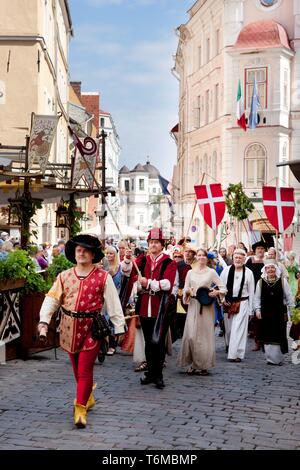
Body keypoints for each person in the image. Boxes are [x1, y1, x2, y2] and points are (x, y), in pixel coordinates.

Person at [37, 234, 125, 428]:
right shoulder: (64, 276)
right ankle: (88, 396)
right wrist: (44, 320)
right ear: (74, 253)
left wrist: (118, 327)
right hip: (68, 327)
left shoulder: (103, 277)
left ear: (93, 254)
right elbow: (52, 299)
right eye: (79, 250)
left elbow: (113, 302)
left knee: (85, 369)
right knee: (77, 370)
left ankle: (80, 409)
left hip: (92, 328)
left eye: (86, 250)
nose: (82, 253)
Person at [122, 228, 177, 389]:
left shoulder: (169, 262)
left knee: (158, 342)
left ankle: (158, 375)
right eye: (151, 242)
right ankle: (151, 373)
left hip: (160, 307)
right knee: (148, 341)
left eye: (156, 242)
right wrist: (126, 259)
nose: (153, 245)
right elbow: (127, 272)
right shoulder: (142, 260)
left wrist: (149, 283)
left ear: (162, 245)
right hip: (144, 305)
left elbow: (167, 284)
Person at [177, 248, 226, 376]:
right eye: (199, 255)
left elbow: (223, 288)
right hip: (193, 305)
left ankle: (203, 365)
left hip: (206, 307)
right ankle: (193, 363)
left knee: (204, 337)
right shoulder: (190, 272)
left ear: (206, 258)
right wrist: (188, 292)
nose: (201, 257)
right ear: (196, 257)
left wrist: (216, 293)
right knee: (191, 335)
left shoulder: (211, 272)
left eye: (203, 255)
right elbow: (185, 288)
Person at [254, 259, 294, 365]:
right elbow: (256, 298)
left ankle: (278, 358)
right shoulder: (260, 282)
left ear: (276, 269)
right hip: (266, 313)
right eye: (268, 268)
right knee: (267, 334)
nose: (270, 270)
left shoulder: (282, 281)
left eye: (272, 268)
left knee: (278, 334)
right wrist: (257, 309)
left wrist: (292, 310)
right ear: (265, 270)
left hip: (279, 313)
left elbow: (289, 296)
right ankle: (269, 358)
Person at [220, 249, 255, 362]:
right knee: (230, 330)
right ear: (233, 258)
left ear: (244, 259)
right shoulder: (226, 270)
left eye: (240, 257)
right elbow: (221, 287)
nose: (238, 259)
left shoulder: (249, 273)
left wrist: (251, 310)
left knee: (238, 329)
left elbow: (251, 292)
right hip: (228, 303)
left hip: (243, 303)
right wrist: (223, 299)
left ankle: (236, 354)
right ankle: (231, 347)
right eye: (236, 257)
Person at [246, 240, 267, 351]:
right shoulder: (250, 261)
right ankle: (257, 341)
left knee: (265, 317)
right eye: (258, 249)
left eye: (262, 249)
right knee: (255, 318)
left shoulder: (268, 261)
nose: (260, 250)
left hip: (266, 291)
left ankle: (265, 341)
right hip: (253, 291)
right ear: (255, 250)